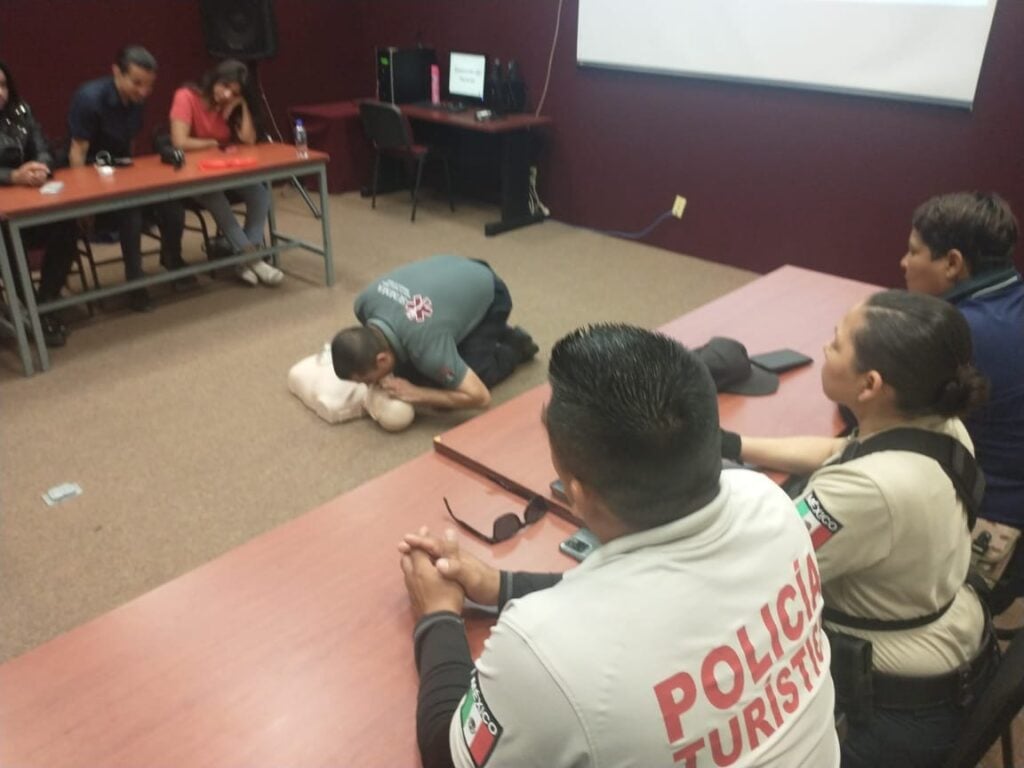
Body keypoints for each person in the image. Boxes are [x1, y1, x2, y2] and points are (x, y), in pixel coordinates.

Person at [399, 324, 839, 768]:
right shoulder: (770, 503)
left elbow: (447, 754)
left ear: (576, 493)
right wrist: (502, 585)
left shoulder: (546, 651)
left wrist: (437, 614)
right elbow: (637, 597)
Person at [721, 290, 999, 767]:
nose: (826, 348)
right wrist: (732, 443)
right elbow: (842, 453)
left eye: (835, 343)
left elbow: (755, 569)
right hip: (950, 651)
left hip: (890, 712)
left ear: (869, 385)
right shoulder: (941, 426)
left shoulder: (864, 493)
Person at [902, 191, 1024, 610]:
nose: (903, 263)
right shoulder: (1009, 303)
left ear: (952, 263)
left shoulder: (961, 333)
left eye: (913, 251)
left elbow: (864, 405)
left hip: (991, 527)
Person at [67, 45, 189, 312]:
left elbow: (129, 142)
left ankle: (173, 259)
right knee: (131, 213)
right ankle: (135, 284)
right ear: (116, 73)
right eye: (137, 83)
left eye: (149, 85)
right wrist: (83, 202)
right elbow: (78, 152)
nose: (144, 92)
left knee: (171, 204)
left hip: (121, 170)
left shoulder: (137, 99)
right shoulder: (89, 99)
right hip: (91, 173)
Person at [331, 255, 539, 411]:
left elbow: (480, 397)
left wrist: (419, 394)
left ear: (382, 358)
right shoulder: (364, 303)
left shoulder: (427, 349)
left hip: (492, 292)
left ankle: (514, 345)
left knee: (466, 380)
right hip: (456, 268)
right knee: (417, 369)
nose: (369, 385)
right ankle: (470, 331)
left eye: (367, 380)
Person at [169, 59, 282, 286]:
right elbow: (179, 141)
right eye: (226, 86)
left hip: (224, 170)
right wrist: (211, 143)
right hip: (193, 176)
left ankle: (243, 261)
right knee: (216, 198)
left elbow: (249, 141)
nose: (227, 94)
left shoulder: (230, 105)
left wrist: (242, 105)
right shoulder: (186, 96)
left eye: (235, 92)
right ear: (215, 79)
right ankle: (254, 259)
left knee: (260, 194)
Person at [0, 60, 77, 346]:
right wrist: (12, 176)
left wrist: (41, 166)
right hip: (4, 220)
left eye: (4, 84)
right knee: (9, 242)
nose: (1, 92)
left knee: (67, 225)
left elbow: (43, 147)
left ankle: (46, 303)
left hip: (29, 204)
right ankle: (29, 310)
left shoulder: (21, 112)